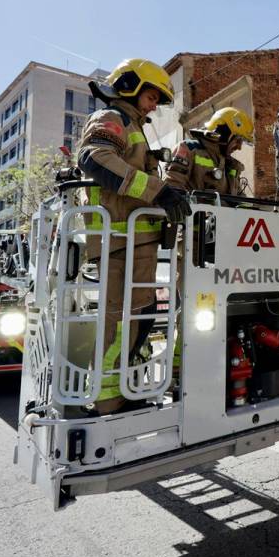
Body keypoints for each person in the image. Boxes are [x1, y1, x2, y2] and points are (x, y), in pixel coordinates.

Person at [78, 58, 191, 414]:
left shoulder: (134, 126)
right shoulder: (113, 119)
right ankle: (106, 402)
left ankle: (122, 390)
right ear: (130, 86)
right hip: (118, 241)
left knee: (139, 318)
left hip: (134, 242)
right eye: (152, 96)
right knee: (120, 322)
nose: (154, 105)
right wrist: (157, 191)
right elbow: (95, 158)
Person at [166, 106, 254, 196]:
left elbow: (239, 198)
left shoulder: (231, 166)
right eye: (238, 141)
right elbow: (173, 188)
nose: (239, 147)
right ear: (224, 133)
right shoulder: (188, 149)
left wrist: (254, 208)